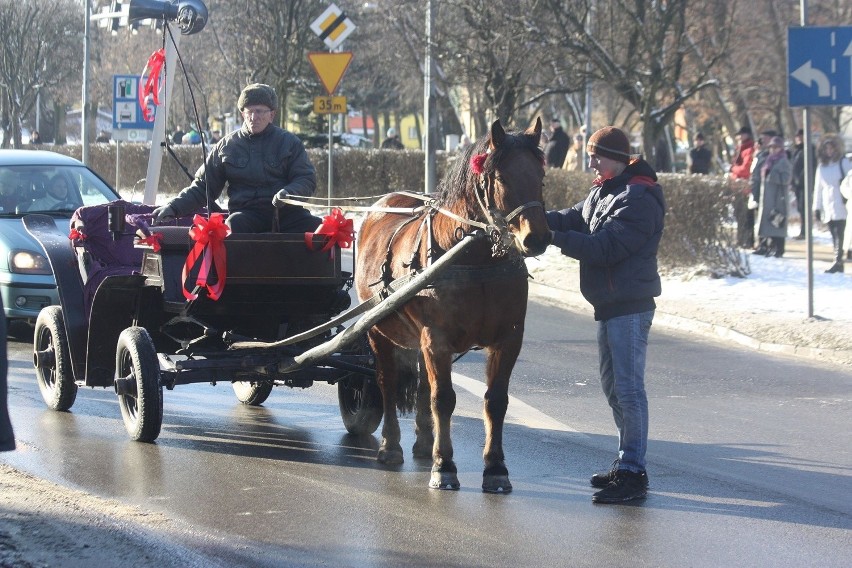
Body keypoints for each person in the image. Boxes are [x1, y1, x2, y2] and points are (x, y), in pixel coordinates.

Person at [546, 126, 665, 504]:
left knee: (629, 390)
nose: (591, 161)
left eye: (598, 156)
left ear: (617, 158)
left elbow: (604, 248)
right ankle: (625, 460)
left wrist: (550, 238)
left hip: (630, 307)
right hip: (610, 306)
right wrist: (534, 218)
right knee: (614, 389)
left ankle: (634, 472)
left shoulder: (638, 197)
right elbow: (574, 217)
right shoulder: (605, 190)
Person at [153, 83, 319, 234]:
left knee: (318, 228)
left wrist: (289, 193)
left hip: (286, 213)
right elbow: (203, 186)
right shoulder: (227, 146)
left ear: (272, 114)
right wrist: (173, 207)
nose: (254, 117)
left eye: (260, 111)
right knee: (234, 225)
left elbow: (306, 178)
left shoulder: (289, 142)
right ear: (242, 114)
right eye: (249, 112)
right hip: (247, 215)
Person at [813, 134, 850, 273]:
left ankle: (838, 261)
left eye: (831, 148)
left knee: (840, 232)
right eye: (826, 148)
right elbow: (818, 188)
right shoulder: (822, 166)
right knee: (833, 233)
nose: (829, 151)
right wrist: (816, 207)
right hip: (828, 203)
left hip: (841, 201)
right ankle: (837, 259)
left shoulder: (843, 163)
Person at [754, 136, 791, 258]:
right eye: (771, 147)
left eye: (776, 147)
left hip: (778, 197)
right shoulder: (768, 160)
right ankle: (768, 246)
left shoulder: (784, 161)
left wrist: (773, 175)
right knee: (768, 223)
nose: (773, 150)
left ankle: (779, 249)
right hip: (767, 197)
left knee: (778, 222)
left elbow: (787, 178)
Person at [749, 129, 778, 254]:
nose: (763, 141)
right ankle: (762, 243)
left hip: (768, 191)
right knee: (760, 219)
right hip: (758, 189)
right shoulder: (761, 154)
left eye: (765, 139)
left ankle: (768, 244)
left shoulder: (772, 156)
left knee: (767, 219)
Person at [729, 126, 756, 248]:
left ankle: (747, 240)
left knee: (746, 216)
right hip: (737, 186)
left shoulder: (749, 149)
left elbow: (745, 170)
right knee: (739, 215)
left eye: (742, 134)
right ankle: (741, 239)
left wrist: (733, 169)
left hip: (745, 187)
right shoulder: (740, 149)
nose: (739, 137)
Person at [790, 129, 813, 239]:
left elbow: (809, 167)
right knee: (800, 208)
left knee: (805, 209)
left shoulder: (809, 149)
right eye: (797, 136)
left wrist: (801, 179)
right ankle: (803, 231)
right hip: (798, 185)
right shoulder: (797, 150)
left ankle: (806, 232)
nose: (798, 138)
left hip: (805, 185)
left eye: (801, 136)